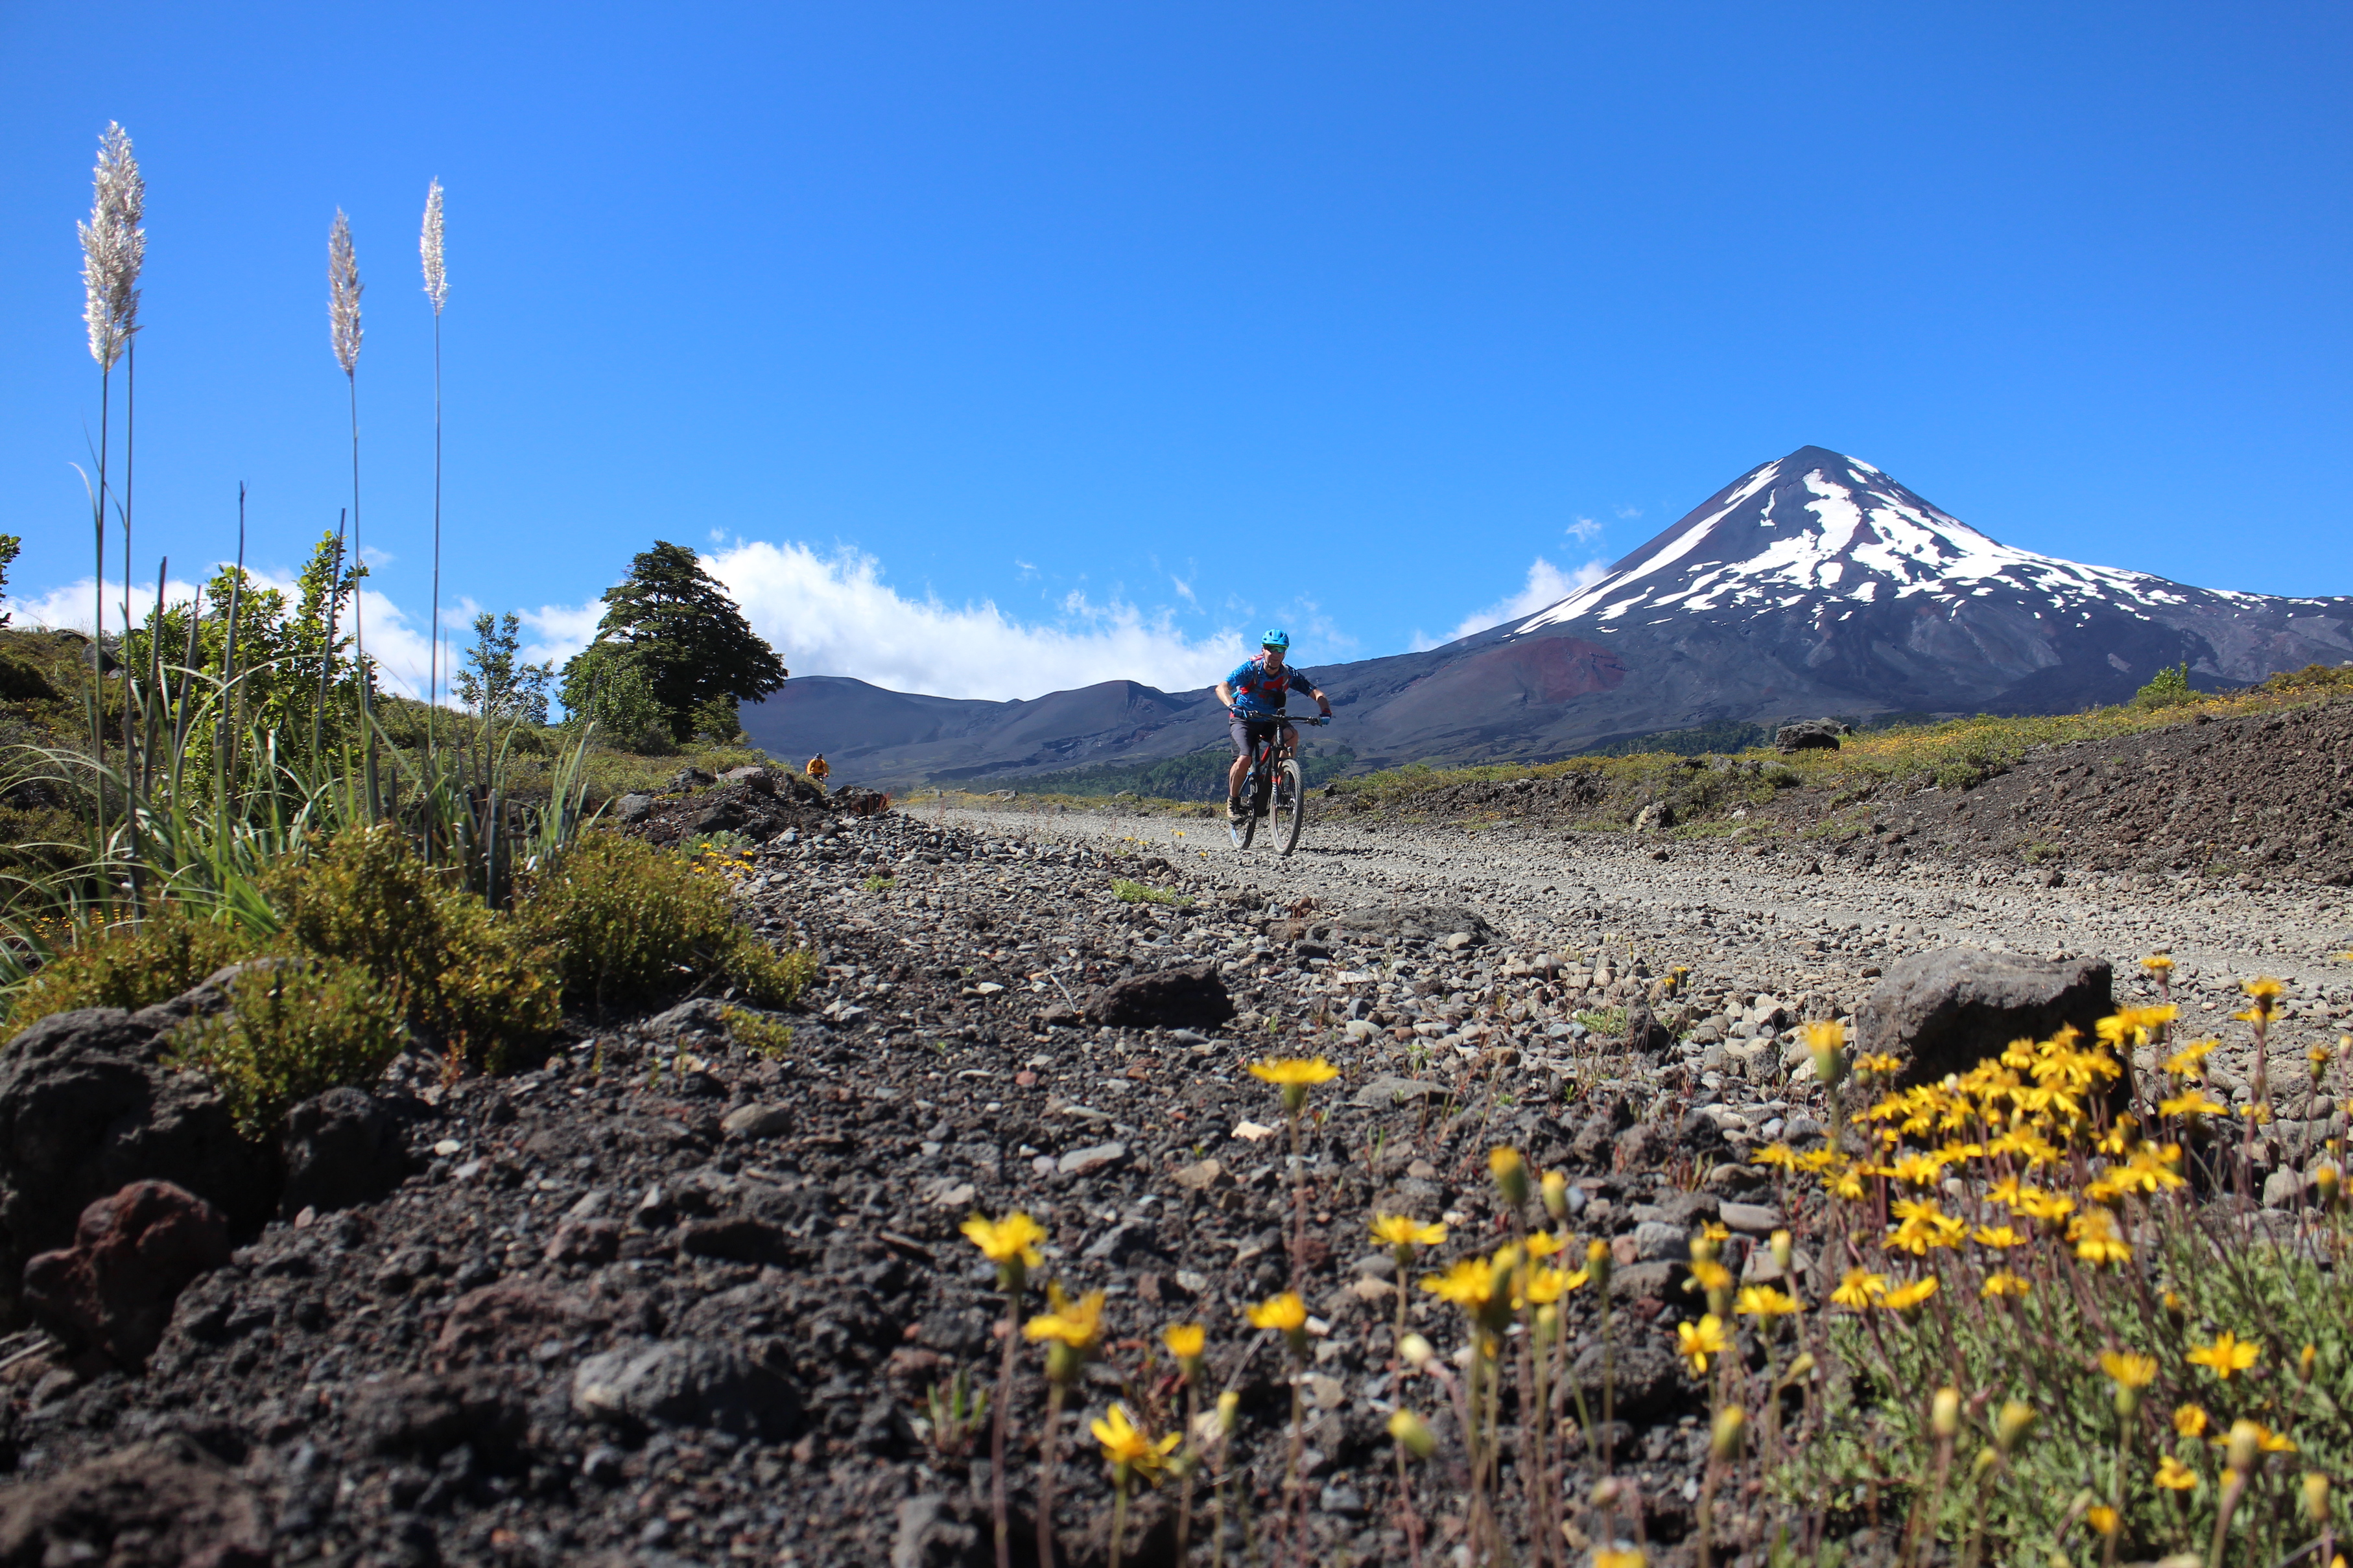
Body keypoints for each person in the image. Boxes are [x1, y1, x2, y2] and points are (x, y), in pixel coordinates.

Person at [1214, 630, 1332, 821]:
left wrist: (1325, 711)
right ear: (1263, 649)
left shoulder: (1288, 673)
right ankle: (1233, 802)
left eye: (1280, 650)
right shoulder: (1250, 669)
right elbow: (1222, 687)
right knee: (1244, 758)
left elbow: (1316, 692)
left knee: (1291, 735)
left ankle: (1280, 781)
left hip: (1270, 719)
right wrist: (1233, 705)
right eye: (1271, 649)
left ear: (1285, 652)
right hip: (1244, 718)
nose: (1275, 654)